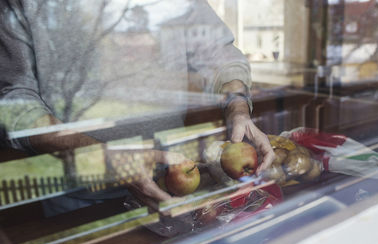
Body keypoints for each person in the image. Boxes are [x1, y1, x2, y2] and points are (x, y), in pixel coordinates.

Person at [0, 0, 274, 204]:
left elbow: (219, 53)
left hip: (174, 187)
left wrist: (238, 107)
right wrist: (104, 158)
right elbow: (14, 101)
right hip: (77, 201)